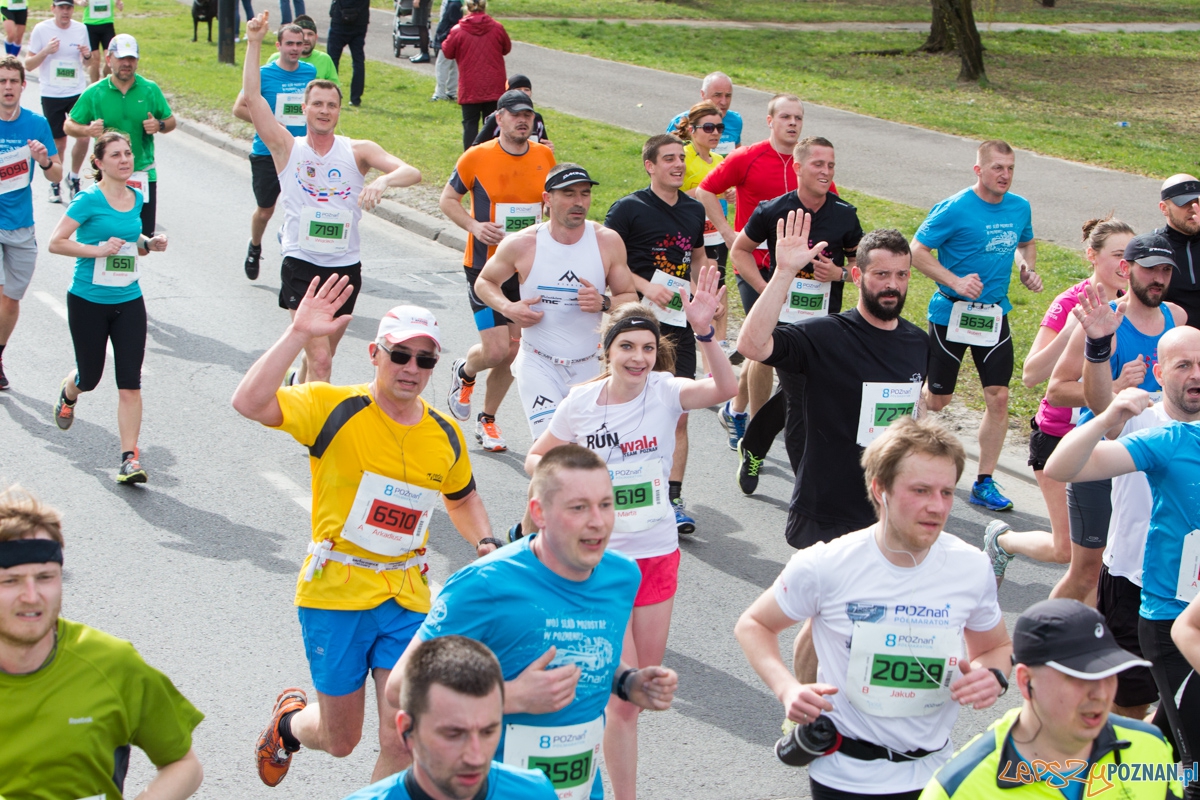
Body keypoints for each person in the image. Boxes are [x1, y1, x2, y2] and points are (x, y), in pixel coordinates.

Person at [232, 283, 500, 786]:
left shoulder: (444, 433)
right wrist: (297, 333)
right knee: (341, 740)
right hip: (336, 591)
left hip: (407, 596)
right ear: (375, 354)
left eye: (424, 360)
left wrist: (484, 542)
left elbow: (461, 498)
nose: (410, 368)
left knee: (403, 736)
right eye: (400, 354)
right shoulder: (333, 407)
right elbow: (248, 401)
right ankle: (288, 726)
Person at [525, 278, 733, 799]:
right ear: (607, 350)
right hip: (599, 562)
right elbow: (536, 458)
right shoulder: (581, 402)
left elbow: (726, 389)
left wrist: (706, 333)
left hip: (658, 555)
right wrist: (577, 484)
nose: (637, 358)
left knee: (633, 694)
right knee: (608, 691)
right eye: (627, 347)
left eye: (646, 348)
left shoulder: (666, 392)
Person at [736, 416, 1012, 800]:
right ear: (879, 489)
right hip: (846, 775)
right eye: (920, 490)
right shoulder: (826, 564)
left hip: (935, 774)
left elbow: (995, 648)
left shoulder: (970, 566)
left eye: (946, 492)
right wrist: (787, 690)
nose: (937, 507)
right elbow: (753, 625)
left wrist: (992, 676)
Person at [384, 444, 679, 800]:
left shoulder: (621, 577)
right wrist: (510, 697)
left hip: (578, 787)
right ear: (539, 512)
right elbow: (399, 687)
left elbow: (585, 647)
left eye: (605, 504)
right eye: (579, 507)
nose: (598, 521)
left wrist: (627, 682)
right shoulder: (486, 585)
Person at [240, 11, 421, 384]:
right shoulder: (287, 148)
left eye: (331, 105)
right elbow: (254, 99)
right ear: (303, 109)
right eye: (317, 104)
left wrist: (383, 183)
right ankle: (316, 438)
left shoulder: (357, 150)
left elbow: (411, 171)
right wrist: (255, 42)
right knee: (321, 360)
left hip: (344, 266)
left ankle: (299, 387)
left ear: (339, 111)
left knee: (324, 353)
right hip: (301, 262)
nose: (324, 111)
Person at [0, 485, 205, 800]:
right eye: (10, 581)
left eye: (45, 578)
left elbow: (183, 764)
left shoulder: (112, 664)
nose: (31, 597)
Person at [1046, 382, 1200, 800]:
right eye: (1184, 364)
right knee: (1193, 770)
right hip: (1170, 616)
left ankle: (1110, 785)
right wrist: (1107, 418)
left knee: (1168, 734)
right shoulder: (1175, 439)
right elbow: (1063, 467)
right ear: (1162, 373)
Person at [738, 217, 928, 552]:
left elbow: (917, 413)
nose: (892, 285)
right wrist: (783, 273)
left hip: (887, 512)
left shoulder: (918, 343)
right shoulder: (823, 335)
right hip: (826, 511)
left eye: (901, 275)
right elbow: (752, 346)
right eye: (881, 275)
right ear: (857, 276)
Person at [984, 217, 1133, 586]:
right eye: (1117, 255)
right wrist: (1073, 328)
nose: (1125, 265)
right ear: (1092, 256)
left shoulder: (1134, 306)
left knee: (1104, 554)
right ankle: (1003, 541)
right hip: (1059, 437)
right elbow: (1032, 375)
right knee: (1068, 550)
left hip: (1111, 440)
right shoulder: (1070, 302)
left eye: (1131, 256)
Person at [1041, 231, 1186, 606]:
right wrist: (1117, 388)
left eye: (1166, 271)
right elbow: (1056, 389)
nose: (1158, 279)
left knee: (1143, 564)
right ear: (1126, 269)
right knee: (1088, 571)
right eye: (1150, 269)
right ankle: (1040, 642)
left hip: (1155, 455)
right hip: (1104, 453)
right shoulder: (1105, 321)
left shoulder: (1177, 318)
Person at [920, 598, 1178, 800]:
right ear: (1025, 681)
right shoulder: (958, 789)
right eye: (1079, 679)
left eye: (1108, 674)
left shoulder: (1150, 746)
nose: (1100, 694)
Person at [1071, 325, 1200, 720]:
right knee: (1130, 702)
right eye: (1183, 366)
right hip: (1134, 581)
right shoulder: (1140, 418)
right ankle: (1117, 777)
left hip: (1193, 592)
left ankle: (1167, 769)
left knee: (1184, 705)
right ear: (1159, 374)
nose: (1196, 374)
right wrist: (1097, 349)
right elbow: (1099, 405)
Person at [913, 139, 1041, 513]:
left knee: (998, 397)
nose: (1005, 175)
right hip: (951, 313)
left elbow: (1026, 242)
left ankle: (984, 481)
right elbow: (917, 250)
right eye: (998, 167)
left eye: (1011, 168)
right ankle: (905, 442)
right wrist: (954, 281)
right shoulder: (954, 208)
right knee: (938, 399)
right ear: (979, 170)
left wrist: (1025, 268)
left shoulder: (1020, 207)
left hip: (993, 315)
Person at [731, 136, 863, 494]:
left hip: (823, 324)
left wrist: (838, 274)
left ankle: (754, 446)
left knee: (801, 393)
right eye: (818, 164)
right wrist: (767, 289)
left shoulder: (844, 215)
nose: (825, 171)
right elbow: (740, 251)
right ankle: (806, 486)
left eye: (831, 165)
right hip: (784, 323)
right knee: (801, 395)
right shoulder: (772, 210)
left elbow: (858, 266)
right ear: (798, 167)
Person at [473, 163, 636, 443]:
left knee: (582, 452)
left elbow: (630, 297)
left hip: (587, 367)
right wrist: (509, 308)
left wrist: (604, 302)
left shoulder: (607, 242)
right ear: (547, 199)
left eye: (584, 194)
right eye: (569, 194)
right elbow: (484, 282)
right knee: (550, 448)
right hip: (538, 363)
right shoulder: (523, 243)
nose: (579, 202)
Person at [604, 133, 713, 534]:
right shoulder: (628, 209)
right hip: (635, 322)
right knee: (626, 408)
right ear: (650, 165)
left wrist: (704, 293)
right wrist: (646, 286)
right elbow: (606, 258)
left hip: (679, 325)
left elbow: (697, 254)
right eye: (669, 159)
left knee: (678, 412)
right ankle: (618, 485)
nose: (679, 165)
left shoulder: (691, 208)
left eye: (681, 158)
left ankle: (672, 496)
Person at [48, 131, 169, 484]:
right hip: (88, 300)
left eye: (128, 153)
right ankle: (70, 391)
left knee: (130, 382)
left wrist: (150, 242)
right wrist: (97, 250)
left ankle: (129, 458)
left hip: (129, 299)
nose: (125, 159)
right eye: (116, 155)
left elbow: (134, 241)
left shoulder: (136, 197)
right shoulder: (87, 200)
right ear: (99, 163)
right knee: (91, 376)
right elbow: (57, 243)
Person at [440, 87, 554, 452]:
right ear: (500, 119)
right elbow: (447, 200)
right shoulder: (476, 157)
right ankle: (466, 371)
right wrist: (474, 227)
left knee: (514, 350)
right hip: (485, 267)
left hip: (527, 269)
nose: (523, 121)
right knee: (495, 350)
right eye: (516, 115)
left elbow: (551, 204)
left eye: (529, 116)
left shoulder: (545, 156)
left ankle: (487, 419)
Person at [695, 94, 810, 450]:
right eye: (786, 117)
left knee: (763, 345)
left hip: (796, 272)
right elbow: (706, 190)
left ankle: (737, 408)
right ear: (770, 121)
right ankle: (758, 426)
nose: (792, 123)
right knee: (764, 341)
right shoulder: (748, 157)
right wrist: (730, 234)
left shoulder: (808, 163)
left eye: (798, 118)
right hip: (754, 265)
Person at [343, 637, 557, 800]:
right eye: (454, 734)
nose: (476, 757)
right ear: (406, 730)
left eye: (488, 731)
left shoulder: (536, 792)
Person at [64, 34, 175, 239]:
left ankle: (131, 272)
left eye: (131, 59)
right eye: (121, 58)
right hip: (107, 176)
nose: (126, 64)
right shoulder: (96, 92)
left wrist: (159, 125)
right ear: (109, 60)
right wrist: (87, 131)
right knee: (109, 236)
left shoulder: (149, 89)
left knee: (143, 242)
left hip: (143, 173)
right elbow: (69, 125)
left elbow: (170, 121)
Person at [234, 22, 317, 281]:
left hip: (300, 152)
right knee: (265, 210)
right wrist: (270, 123)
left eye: (299, 44)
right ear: (278, 45)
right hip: (266, 152)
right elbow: (239, 109)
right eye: (289, 44)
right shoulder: (265, 74)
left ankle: (296, 252)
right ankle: (255, 246)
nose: (295, 49)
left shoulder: (309, 72)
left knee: (304, 207)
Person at [0, 55, 60, 393]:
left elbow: (57, 174)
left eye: (13, 81)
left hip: (21, 224)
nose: (8, 87)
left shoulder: (36, 125)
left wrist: (45, 160)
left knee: (11, 299)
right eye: (2, 81)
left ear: (24, 86)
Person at [674, 100, 732, 363]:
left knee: (719, 289)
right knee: (703, 292)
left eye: (719, 127)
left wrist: (730, 193)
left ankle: (719, 348)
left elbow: (723, 196)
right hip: (690, 236)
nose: (715, 133)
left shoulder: (720, 159)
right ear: (692, 129)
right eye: (708, 127)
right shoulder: (682, 156)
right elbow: (668, 194)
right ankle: (702, 356)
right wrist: (700, 193)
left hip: (715, 234)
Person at [25, 0, 89, 204]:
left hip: (76, 90)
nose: (65, 12)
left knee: (84, 136)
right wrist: (46, 51)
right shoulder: (41, 29)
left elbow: (88, 62)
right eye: (61, 7)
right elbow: (28, 64)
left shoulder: (81, 29)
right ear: (53, 9)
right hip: (51, 92)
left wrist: (86, 55)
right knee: (59, 142)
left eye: (69, 7)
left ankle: (75, 176)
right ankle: (55, 181)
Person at [441, 0, 509, 151]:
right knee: (492, 123)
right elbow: (506, 48)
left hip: (470, 83)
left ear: (467, 8)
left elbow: (447, 51)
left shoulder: (458, 30)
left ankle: (470, 157)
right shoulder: (497, 28)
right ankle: (492, 155)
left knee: (470, 123)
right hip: (494, 84)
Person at [666, 70, 743, 158]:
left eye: (728, 96)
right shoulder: (681, 121)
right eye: (717, 95)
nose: (724, 102)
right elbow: (665, 161)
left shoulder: (735, 121)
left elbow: (737, 156)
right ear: (703, 94)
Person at [1157, 173, 1200, 327]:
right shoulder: (1152, 247)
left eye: (1197, 202)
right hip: (1170, 343)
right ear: (1164, 208)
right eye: (1184, 203)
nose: (1193, 209)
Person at [471, 74, 551, 149]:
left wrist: (548, 148)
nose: (523, 92)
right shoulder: (498, 118)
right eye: (518, 89)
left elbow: (543, 144)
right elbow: (477, 146)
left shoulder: (537, 118)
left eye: (526, 89)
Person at [267, 14, 339, 82]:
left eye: (310, 34)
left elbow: (335, 91)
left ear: (316, 37)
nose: (306, 38)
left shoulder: (325, 59)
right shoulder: (276, 59)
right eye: (302, 34)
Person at [327, 0, 369, 106]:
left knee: (332, 60)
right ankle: (355, 98)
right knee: (358, 60)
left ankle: (330, 94)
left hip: (340, 18)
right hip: (360, 19)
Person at [81, 0, 119, 82]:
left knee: (110, 58)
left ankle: (106, 83)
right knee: (95, 59)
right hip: (90, 25)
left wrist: (118, 2)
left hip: (107, 24)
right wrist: (80, 2)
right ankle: (95, 87)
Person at [429, 0, 459, 102]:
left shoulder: (454, 4)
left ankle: (440, 93)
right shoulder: (456, 3)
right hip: (455, 39)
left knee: (442, 64)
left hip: (449, 39)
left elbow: (452, 24)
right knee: (454, 65)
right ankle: (451, 91)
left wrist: (442, 36)